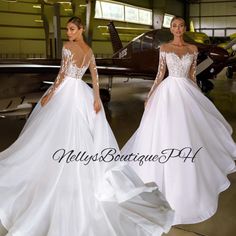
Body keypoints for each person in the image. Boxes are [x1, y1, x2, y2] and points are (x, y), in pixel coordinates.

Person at [0, 17, 174, 236]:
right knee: (72, 132)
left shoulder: (68, 48)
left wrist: (50, 95)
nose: (69, 33)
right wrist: (94, 97)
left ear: (81, 29)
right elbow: (95, 76)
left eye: (72, 29)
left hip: (66, 93)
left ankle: (58, 170)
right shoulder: (89, 50)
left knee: (56, 131)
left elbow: (62, 75)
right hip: (81, 92)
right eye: (68, 30)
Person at [122, 16, 236, 225]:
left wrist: (198, 96)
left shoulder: (193, 50)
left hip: (186, 91)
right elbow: (160, 74)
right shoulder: (164, 48)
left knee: (188, 132)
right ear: (171, 29)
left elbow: (192, 76)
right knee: (165, 131)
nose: (177, 29)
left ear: (184, 29)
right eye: (174, 26)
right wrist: (150, 96)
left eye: (181, 26)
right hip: (167, 92)